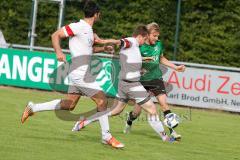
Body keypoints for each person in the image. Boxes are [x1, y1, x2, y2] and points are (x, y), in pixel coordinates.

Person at [21, 1, 124, 149]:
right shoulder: (79, 26)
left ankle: (33, 107)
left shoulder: (88, 30)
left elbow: (88, 50)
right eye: (99, 13)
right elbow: (55, 35)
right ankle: (106, 136)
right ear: (96, 14)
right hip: (80, 73)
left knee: (69, 105)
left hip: (79, 73)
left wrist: (103, 48)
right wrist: (58, 52)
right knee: (102, 101)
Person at [72, 25, 175, 142]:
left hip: (124, 83)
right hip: (131, 85)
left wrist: (140, 70)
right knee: (152, 109)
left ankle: (85, 121)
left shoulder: (135, 46)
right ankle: (165, 137)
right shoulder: (131, 41)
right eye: (144, 38)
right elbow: (119, 41)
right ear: (140, 36)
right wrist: (102, 41)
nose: (145, 41)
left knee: (116, 111)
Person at [124, 22, 185, 140]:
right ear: (147, 35)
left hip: (156, 78)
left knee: (164, 104)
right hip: (141, 81)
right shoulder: (139, 46)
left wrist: (175, 67)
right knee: (137, 112)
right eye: (154, 36)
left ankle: (172, 132)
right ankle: (129, 120)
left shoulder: (158, 44)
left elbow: (161, 58)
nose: (157, 38)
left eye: (158, 36)